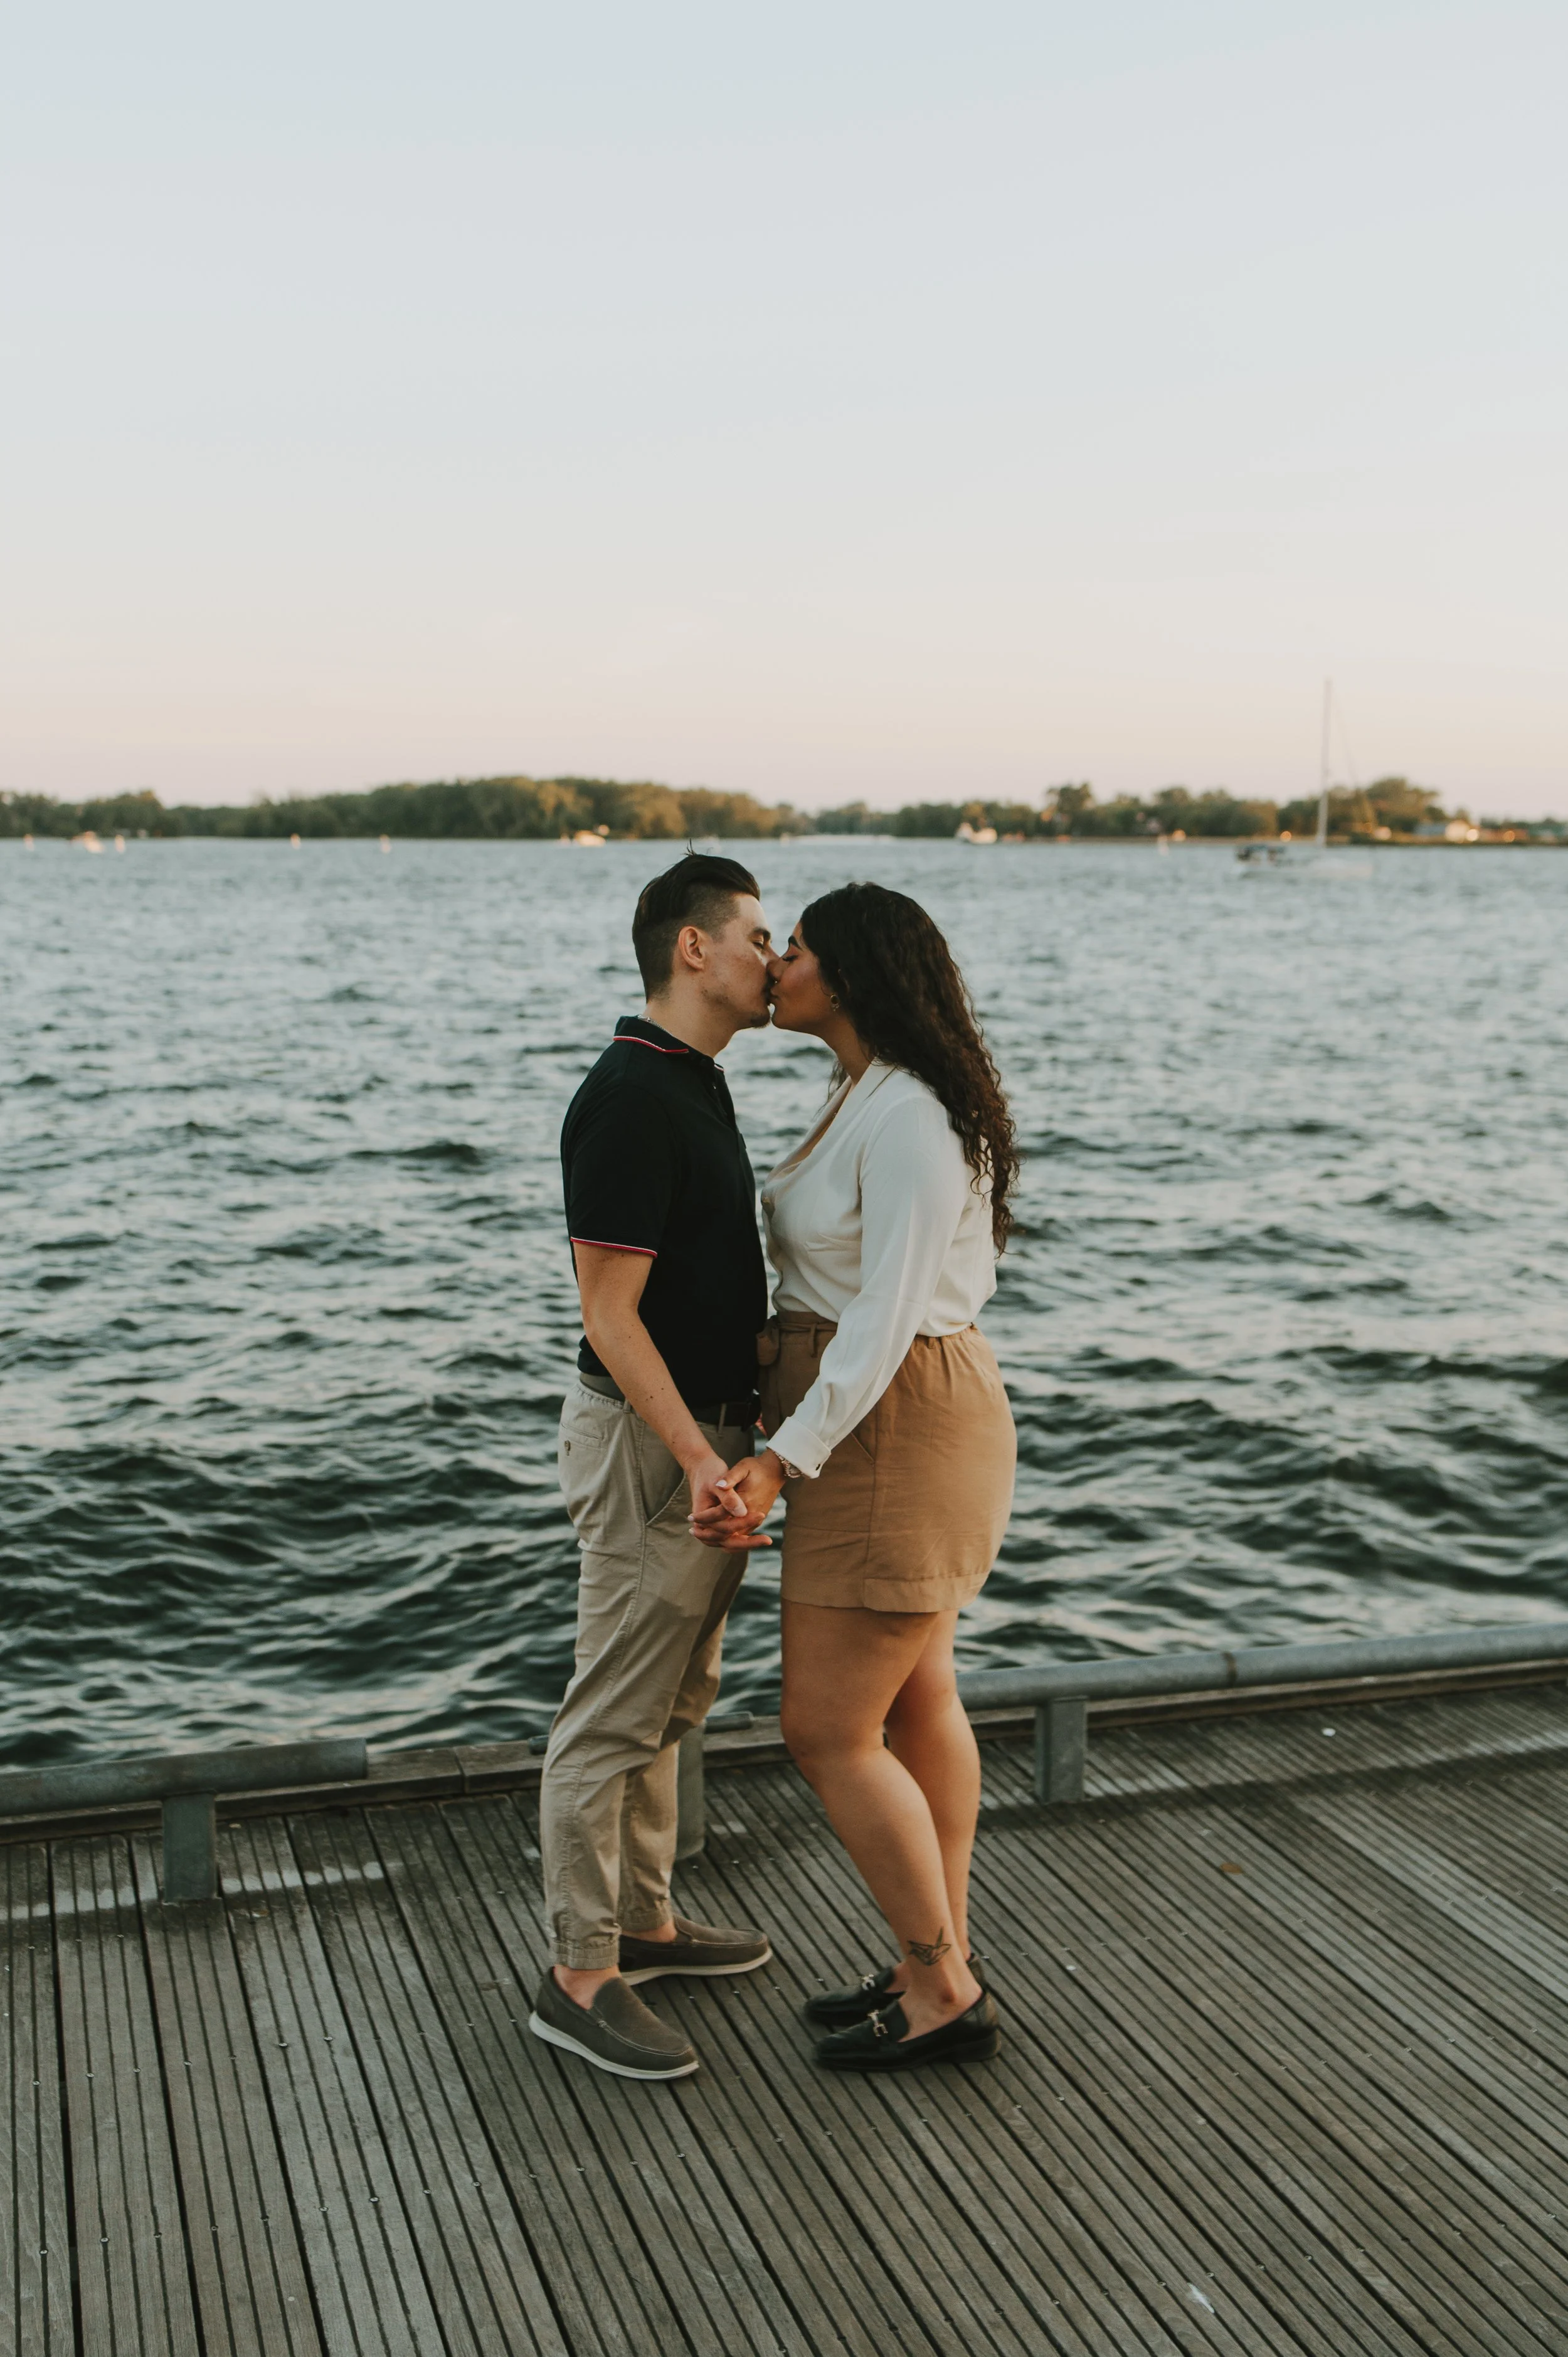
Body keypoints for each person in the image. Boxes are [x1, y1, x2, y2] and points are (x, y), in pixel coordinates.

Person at [693, 880, 1018, 2072]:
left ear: (853, 977)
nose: (776, 965)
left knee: (827, 1726)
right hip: (873, 1416)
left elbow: (883, 1321)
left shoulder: (914, 1119)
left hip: (891, 1422)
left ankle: (942, 1987)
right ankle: (935, 1960)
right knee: (921, 1696)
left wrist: (778, 1460)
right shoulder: (861, 1092)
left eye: (799, 951)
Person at [529, 853, 776, 2082]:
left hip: (706, 1436)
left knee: (673, 1701)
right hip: (652, 1445)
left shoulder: (695, 1083)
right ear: (694, 949)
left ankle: (644, 1923)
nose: (771, 959)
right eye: (757, 935)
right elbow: (608, 1314)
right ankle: (578, 1972)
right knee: (611, 1712)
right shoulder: (630, 1094)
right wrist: (694, 1457)